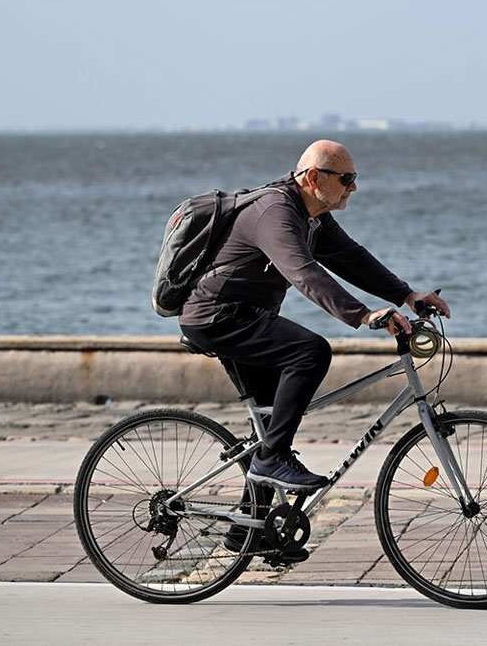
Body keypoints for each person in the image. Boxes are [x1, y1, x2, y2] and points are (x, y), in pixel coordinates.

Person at [179, 139, 451, 497]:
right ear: (312, 177)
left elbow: (352, 258)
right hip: (217, 317)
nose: (353, 187)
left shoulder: (313, 217)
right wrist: (365, 315)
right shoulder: (275, 211)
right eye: (345, 178)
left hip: (246, 316)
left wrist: (407, 296)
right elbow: (303, 273)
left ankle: (248, 528)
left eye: (354, 178)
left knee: (271, 423)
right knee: (311, 352)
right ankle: (271, 459)